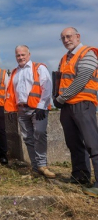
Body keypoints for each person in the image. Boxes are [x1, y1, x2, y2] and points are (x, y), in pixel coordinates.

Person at [53, 27, 98, 197]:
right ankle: (80, 176)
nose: (66, 40)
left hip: (83, 104)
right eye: (63, 38)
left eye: (69, 36)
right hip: (68, 106)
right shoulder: (65, 58)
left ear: (78, 36)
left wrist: (61, 98)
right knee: (74, 143)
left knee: (93, 143)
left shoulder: (88, 53)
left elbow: (82, 78)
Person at [5, 45, 55, 178]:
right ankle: (35, 169)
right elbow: (11, 92)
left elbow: (47, 86)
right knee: (28, 138)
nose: (20, 57)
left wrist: (41, 106)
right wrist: (10, 109)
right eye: (18, 55)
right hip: (21, 110)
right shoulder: (15, 72)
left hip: (37, 108)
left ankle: (42, 165)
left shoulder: (39, 68)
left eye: (23, 55)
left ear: (29, 55)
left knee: (40, 134)